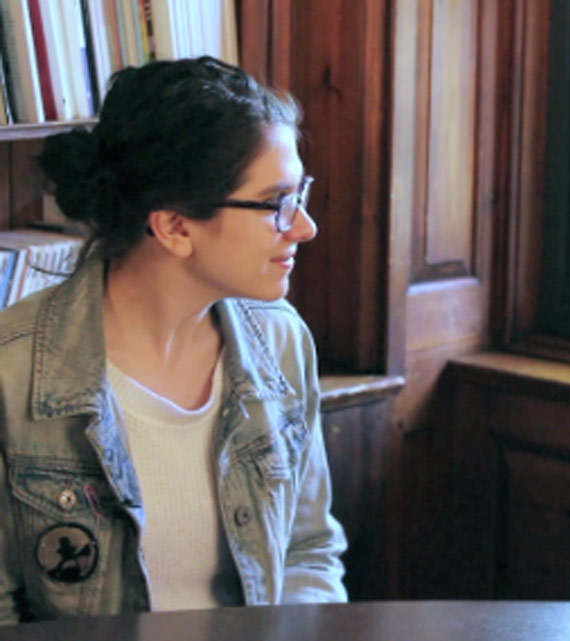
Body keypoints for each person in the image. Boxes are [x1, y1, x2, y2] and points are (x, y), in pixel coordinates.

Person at [0, 57, 347, 623]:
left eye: (300, 193)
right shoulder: (11, 373)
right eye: (277, 203)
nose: (304, 225)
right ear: (175, 227)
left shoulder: (282, 342)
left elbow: (308, 550)